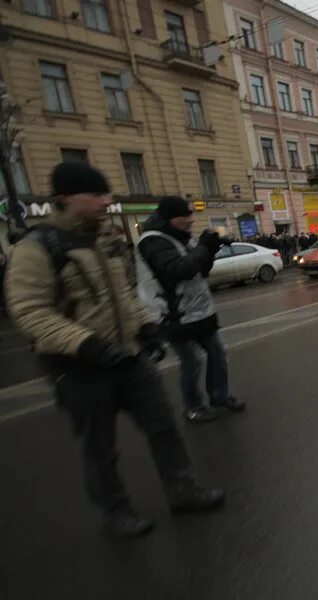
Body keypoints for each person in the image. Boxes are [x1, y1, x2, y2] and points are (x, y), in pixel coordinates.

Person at [4, 163, 223, 538]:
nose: (108, 201)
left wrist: (147, 327)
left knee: (164, 427)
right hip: (78, 366)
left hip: (128, 356)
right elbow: (29, 311)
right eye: (97, 194)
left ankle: (183, 490)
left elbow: (123, 295)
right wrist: (85, 344)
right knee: (100, 447)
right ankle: (116, 511)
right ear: (65, 199)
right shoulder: (36, 248)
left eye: (107, 194)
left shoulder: (105, 240)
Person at [136, 196, 246, 423]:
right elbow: (177, 271)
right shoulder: (152, 241)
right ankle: (193, 407)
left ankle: (219, 396)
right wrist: (203, 247)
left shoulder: (182, 238)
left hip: (198, 312)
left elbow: (200, 271)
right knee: (192, 361)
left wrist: (210, 251)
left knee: (218, 352)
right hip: (172, 315)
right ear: (170, 218)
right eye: (185, 215)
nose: (190, 219)